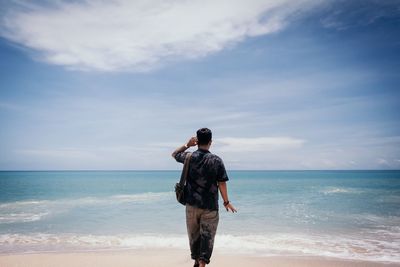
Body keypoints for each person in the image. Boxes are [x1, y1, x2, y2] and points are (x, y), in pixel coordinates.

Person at [172, 127, 236, 267]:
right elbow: (222, 183)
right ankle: (202, 263)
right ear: (211, 142)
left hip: (191, 205)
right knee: (207, 238)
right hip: (210, 207)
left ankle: (197, 261)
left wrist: (187, 145)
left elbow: (175, 154)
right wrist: (226, 202)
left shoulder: (189, 157)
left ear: (197, 141)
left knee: (194, 237)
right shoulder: (217, 160)